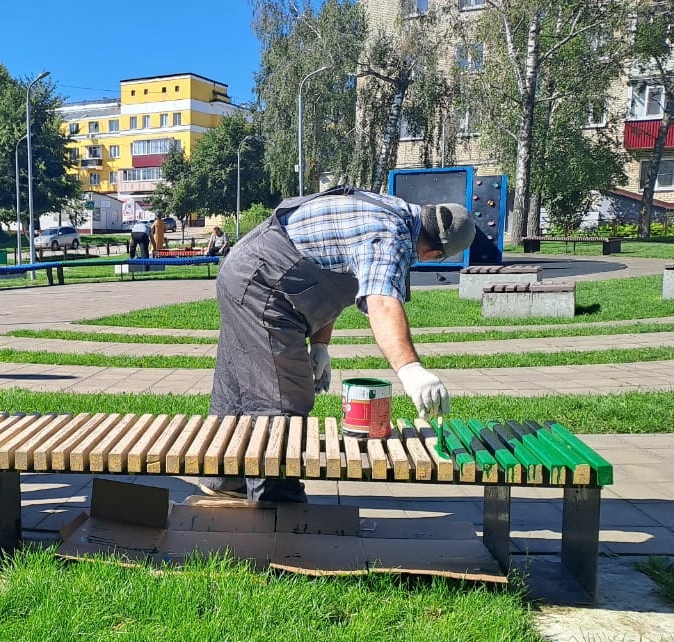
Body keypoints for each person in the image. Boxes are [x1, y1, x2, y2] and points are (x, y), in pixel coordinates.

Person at [204, 186, 476, 503]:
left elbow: (331, 276)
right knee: (281, 398)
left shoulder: (394, 210)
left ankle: (226, 479)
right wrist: (412, 370)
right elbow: (382, 303)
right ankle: (276, 505)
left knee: (237, 389)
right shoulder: (390, 238)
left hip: (247, 270)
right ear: (434, 254)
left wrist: (320, 344)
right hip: (262, 284)